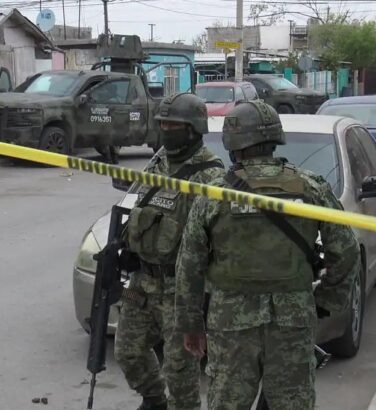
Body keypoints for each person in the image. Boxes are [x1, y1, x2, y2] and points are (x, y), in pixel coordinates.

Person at [174, 101, 360, 410]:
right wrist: (326, 301)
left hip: (231, 323)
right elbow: (347, 251)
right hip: (292, 320)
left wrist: (190, 323)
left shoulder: (217, 193)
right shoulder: (309, 186)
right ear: (275, 140)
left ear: (232, 144)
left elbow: (189, 263)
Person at [115, 93, 224, 410]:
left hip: (181, 289)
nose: (166, 130)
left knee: (180, 374)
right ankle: (153, 400)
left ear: (193, 129)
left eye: (173, 125)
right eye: (162, 124)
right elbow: (139, 209)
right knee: (128, 352)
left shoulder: (210, 175)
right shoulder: (158, 161)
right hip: (143, 280)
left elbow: (214, 241)